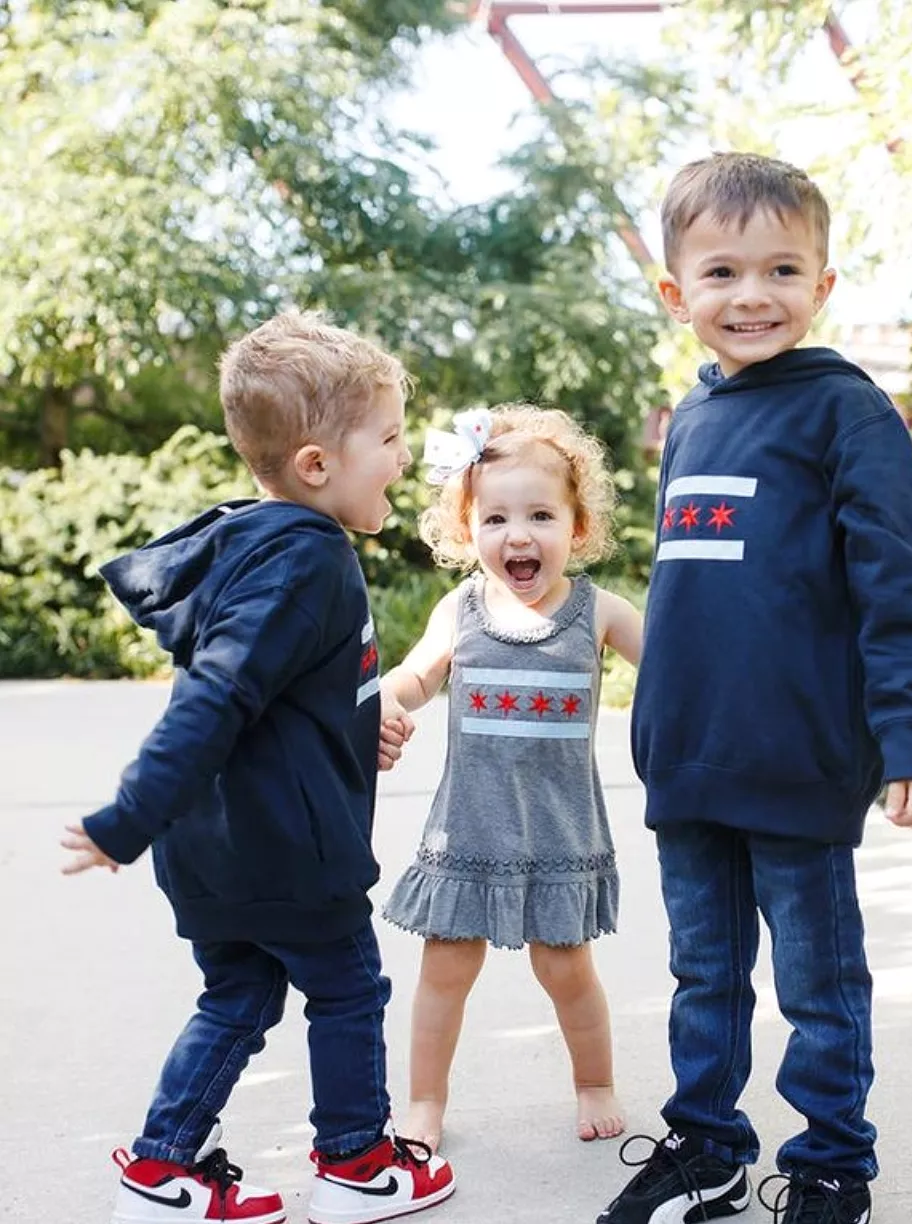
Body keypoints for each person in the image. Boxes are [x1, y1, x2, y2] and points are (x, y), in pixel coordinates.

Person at [596, 153, 912, 1224]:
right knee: (701, 976)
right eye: (719, 272)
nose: (750, 295)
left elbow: (897, 585)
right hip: (689, 755)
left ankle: (831, 1160)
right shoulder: (690, 418)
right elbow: (682, 596)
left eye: (780, 270)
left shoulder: (847, 414)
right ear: (676, 294)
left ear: (823, 284)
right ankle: (706, 1143)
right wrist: (653, 724)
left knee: (816, 982)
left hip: (798, 755)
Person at [60, 312, 456, 1224]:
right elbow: (219, 697)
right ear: (318, 464)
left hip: (220, 849)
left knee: (238, 996)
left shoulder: (256, 546)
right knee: (349, 988)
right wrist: (128, 815)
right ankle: (356, 1160)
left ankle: (162, 1171)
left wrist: (364, 724)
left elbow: (283, 698)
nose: (403, 458)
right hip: (289, 853)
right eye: (389, 438)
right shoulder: (307, 562)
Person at [377, 404, 643, 1157]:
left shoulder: (598, 613)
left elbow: (677, 674)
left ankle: (594, 1082)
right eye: (494, 518)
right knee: (444, 972)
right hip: (468, 828)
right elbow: (414, 678)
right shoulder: (460, 610)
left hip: (560, 831)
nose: (517, 535)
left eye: (539, 516)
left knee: (566, 971)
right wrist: (384, 707)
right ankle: (425, 1100)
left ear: (577, 528)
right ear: (468, 530)